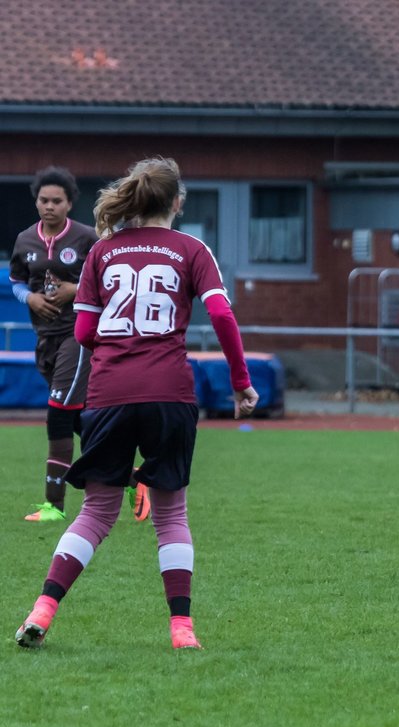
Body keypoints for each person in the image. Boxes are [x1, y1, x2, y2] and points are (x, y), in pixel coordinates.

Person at [15, 157, 259, 651]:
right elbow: (222, 316)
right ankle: (181, 630)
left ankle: (44, 607)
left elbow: (82, 331)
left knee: (96, 512)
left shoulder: (101, 252)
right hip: (170, 392)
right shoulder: (193, 249)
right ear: (177, 202)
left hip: (108, 394)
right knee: (172, 517)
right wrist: (240, 384)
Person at [7, 167, 100, 522]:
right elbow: (16, 281)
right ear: (36, 201)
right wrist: (29, 299)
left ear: (69, 203)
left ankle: (54, 505)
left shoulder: (87, 239)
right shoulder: (24, 240)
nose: (49, 206)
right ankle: (129, 475)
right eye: (43, 200)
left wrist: (75, 290)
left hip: (78, 334)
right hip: (44, 338)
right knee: (78, 418)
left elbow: (107, 283)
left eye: (56, 201)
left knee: (58, 413)